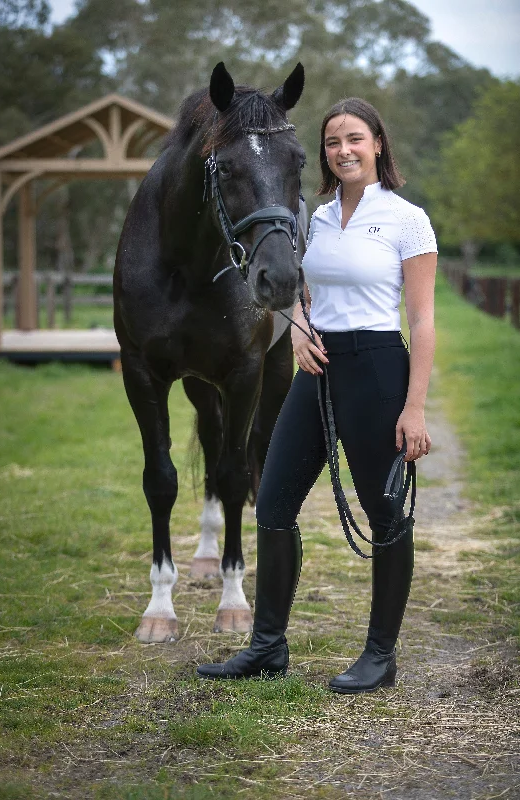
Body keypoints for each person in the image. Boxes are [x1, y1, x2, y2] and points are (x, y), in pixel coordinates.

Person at [197, 97, 437, 693]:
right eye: (332, 142)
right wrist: (302, 326)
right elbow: (300, 284)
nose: (343, 150)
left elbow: (424, 320)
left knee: (384, 513)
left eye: (355, 138)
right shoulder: (318, 216)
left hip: (378, 367)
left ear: (378, 144)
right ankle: (267, 647)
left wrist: (415, 407)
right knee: (274, 500)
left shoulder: (407, 219)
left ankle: (380, 655)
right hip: (317, 370)